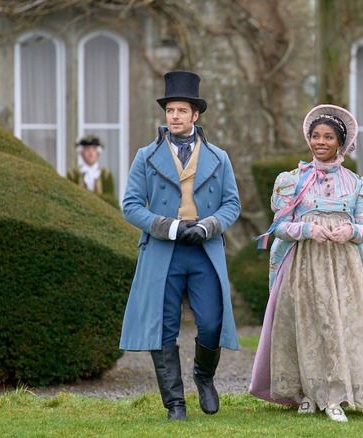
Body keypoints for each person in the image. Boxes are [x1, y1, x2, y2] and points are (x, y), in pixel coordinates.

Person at [249, 104, 363, 422]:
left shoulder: (358, 184)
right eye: (315, 136)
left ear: (340, 143)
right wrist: (307, 229)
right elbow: (280, 226)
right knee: (303, 324)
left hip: (343, 267)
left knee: (338, 325)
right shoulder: (292, 180)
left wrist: (351, 231)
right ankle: (303, 393)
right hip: (302, 265)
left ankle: (334, 395)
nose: (320, 142)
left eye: (328, 137)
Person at [119, 70, 241, 421]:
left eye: (181, 111)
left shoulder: (219, 157)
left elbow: (232, 204)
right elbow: (131, 206)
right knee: (163, 325)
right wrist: (169, 227)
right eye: (170, 110)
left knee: (212, 321)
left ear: (195, 115)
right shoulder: (145, 156)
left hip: (204, 249)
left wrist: (207, 226)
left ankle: (204, 377)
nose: (174, 116)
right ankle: (175, 404)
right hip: (163, 250)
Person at [66, 134, 118, 208]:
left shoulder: (106, 175)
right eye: (87, 149)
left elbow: (110, 199)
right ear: (81, 153)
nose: (91, 153)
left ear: (98, 152)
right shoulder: (73, 174)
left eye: (93, 149)